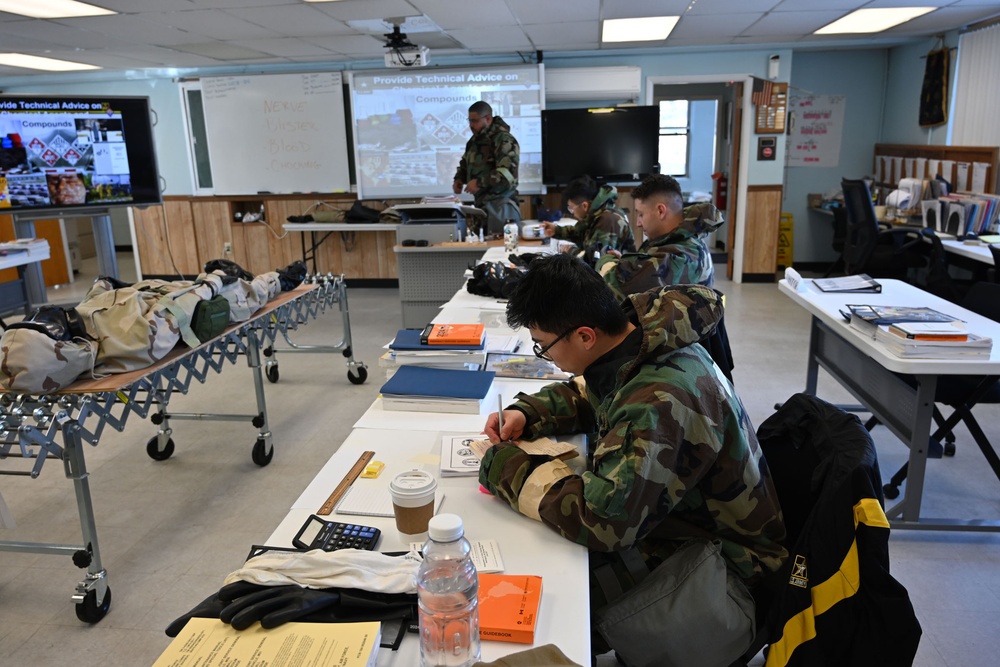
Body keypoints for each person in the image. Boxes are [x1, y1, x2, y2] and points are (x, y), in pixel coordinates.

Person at [477, 254, 787, 662]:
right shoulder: (639, 337)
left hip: (726, 569)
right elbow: (597, 390)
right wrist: (528, 412)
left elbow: (603, 522)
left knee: (551, 593)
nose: (546, 356)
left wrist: (504, 466)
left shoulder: (659, 401)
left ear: (585, 336)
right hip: (689, 526)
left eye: (544, 345)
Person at [596, 174, 723, 296]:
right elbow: (646, 266)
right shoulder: (677, 239)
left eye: (641, 214)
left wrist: (606, 259)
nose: (638, 223)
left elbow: (612, 286)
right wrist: (624, 261)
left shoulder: (679, 257)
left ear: (660, 211)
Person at [453, 101, 520, 236]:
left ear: (488, 119)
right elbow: (465, 162)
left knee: (501, 252)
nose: (471, 125)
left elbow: (506, 174)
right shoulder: (474, 141)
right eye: (469, 121)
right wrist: (459, 178)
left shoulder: (504, 140)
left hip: (500, 208)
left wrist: (478, 182)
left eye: (475, 121)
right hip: (481, 208)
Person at [540, 175, 635, 256]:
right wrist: (556, 230)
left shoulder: (607, 220)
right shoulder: (595, 214)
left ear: (584, 206)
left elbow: (595, 262)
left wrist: (570, 251)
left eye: (571, 208)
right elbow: (581, 233)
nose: (572, 212)